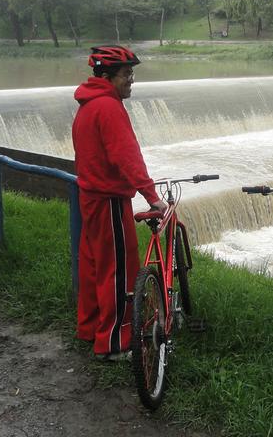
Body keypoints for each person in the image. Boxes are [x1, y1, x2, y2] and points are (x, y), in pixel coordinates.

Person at [72, 45, 167, 361]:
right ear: (108, 77)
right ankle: (113, 343)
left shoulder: (87, 106)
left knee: (94, 268)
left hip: (91, 199)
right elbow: (126, 157)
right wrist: (152, 197)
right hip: (110, 200)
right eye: (127, 74)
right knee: (118, 272)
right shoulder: (109, 108)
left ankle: (90, 329)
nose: (131, 80)